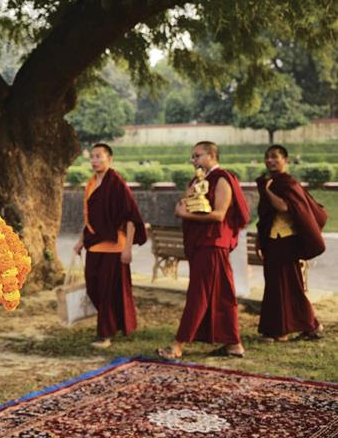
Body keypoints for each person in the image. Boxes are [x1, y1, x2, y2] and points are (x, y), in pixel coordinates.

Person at [158, 141, 249, 359]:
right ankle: (233, 345)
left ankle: (178, 344)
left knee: (198, 294)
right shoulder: (200, 180)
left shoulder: (223, 179)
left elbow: (219, 215)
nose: (193, 161)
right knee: (221, 294)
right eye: (192, 157)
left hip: (213, 244)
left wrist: (184, 215)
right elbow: (184, 203)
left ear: (211, 155)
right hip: (203, 244)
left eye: (197, 156)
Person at [73, 143, 147, 348]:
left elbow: (131, 217)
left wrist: (128, 248)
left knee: (107, 291)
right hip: (95, 244)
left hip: (115, 246)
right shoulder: (91, 183)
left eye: (100, 156)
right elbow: (89, 217)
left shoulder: (116, 183)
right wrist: (81, 241)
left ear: (110, 159)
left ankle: (104, 334)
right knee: (93, 287)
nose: (95, 160)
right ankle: (113, 323)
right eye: (93, 157)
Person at [255, 145, 327, 341]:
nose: (270, 161)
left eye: (275, 157)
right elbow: (264, 216)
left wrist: (268, 191)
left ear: (285, 160)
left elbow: (284, 207)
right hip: (272, 241)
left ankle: (306, 325)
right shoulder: (269, 182)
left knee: (290, 286)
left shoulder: (288, 183)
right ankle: (280, 329)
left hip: (287, 240)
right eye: (267, 157)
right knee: (275, 287)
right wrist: (259, 242)